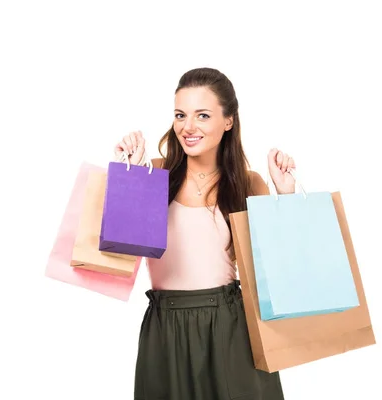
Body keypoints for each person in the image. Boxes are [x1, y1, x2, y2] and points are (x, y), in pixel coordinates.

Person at [114, 67, 296, 400]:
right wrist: (130, 175)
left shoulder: (247, 182)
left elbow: (275, 271)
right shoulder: (154, 174)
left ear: (228, 120)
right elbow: (122, 252)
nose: (188, 127)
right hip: (165, 329)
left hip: (230, 329)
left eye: (203, 115)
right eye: (181, 115)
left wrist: (285, 197)